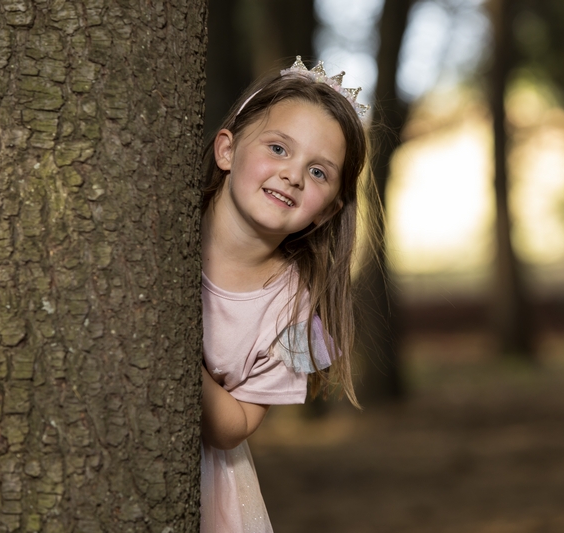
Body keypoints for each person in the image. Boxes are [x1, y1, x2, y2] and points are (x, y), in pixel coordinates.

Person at [199, 56, 374, 532]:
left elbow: (232, 426)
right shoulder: (161, 222)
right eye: (278, 148)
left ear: (327, 211)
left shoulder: (295, 314)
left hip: (197, 482)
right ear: (226, 150)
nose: (293, 175)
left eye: (319, 172)